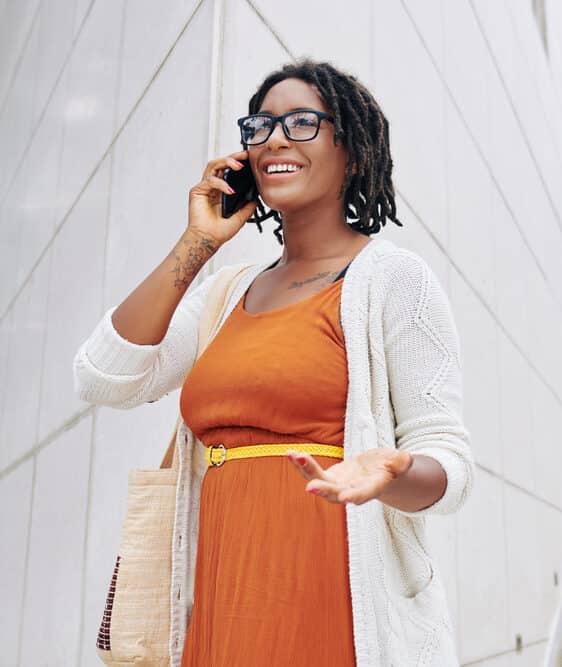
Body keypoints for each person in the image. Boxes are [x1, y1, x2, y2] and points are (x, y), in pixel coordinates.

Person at [73, 59, 473, 667]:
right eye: (260, 126)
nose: (276, 139)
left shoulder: (394, 280)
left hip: (329, 591)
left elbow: (450, 464)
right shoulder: (225, 292)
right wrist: (199, 244)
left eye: (303, 122)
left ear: (355, 152)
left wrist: (391, 471)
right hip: (221, 591)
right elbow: (104, 377)